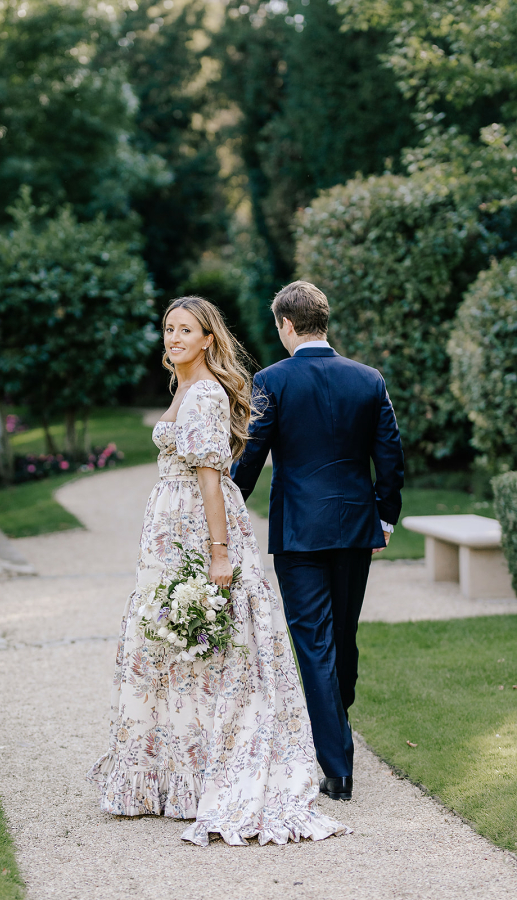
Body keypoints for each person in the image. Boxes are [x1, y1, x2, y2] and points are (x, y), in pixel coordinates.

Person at [87, 296, 350, 846]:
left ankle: (210, 770)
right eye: (168, 328)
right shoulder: (182, 386)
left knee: (212, 644)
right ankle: (177, 776)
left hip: (196, 526)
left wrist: (219, 551)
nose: (173, 338)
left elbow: (211, 475)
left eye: (185, 330)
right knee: (172, 645)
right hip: (168, 526)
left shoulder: (205, 392)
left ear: (209, 339)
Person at [232, 281, 404, 802]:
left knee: (317, 643)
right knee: (341, 637)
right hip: (355, 527)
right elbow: (390, 455)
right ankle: (337, 748)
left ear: (286, 324)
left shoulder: (270, 381)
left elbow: (251, 457)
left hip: (300, 534)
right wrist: (386, 518)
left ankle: (337, 766)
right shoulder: (368, 379)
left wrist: (225, 508)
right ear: (322, 321)